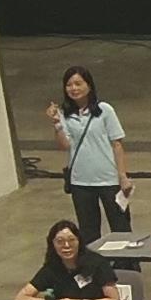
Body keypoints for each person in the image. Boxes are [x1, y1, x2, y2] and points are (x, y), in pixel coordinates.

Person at [50, 65, 132, 239]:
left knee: (121, 227)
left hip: (109, 179)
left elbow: (117, 144)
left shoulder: (104, 110)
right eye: (69, 85)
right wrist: (57, 124)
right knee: (88, 231)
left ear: (89, 85)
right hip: (80, 181)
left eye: (78, 83)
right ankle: (93, 264)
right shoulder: (64, 113)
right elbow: (65, 145)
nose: (74, 88)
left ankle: (127, 265)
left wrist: (122, 176)